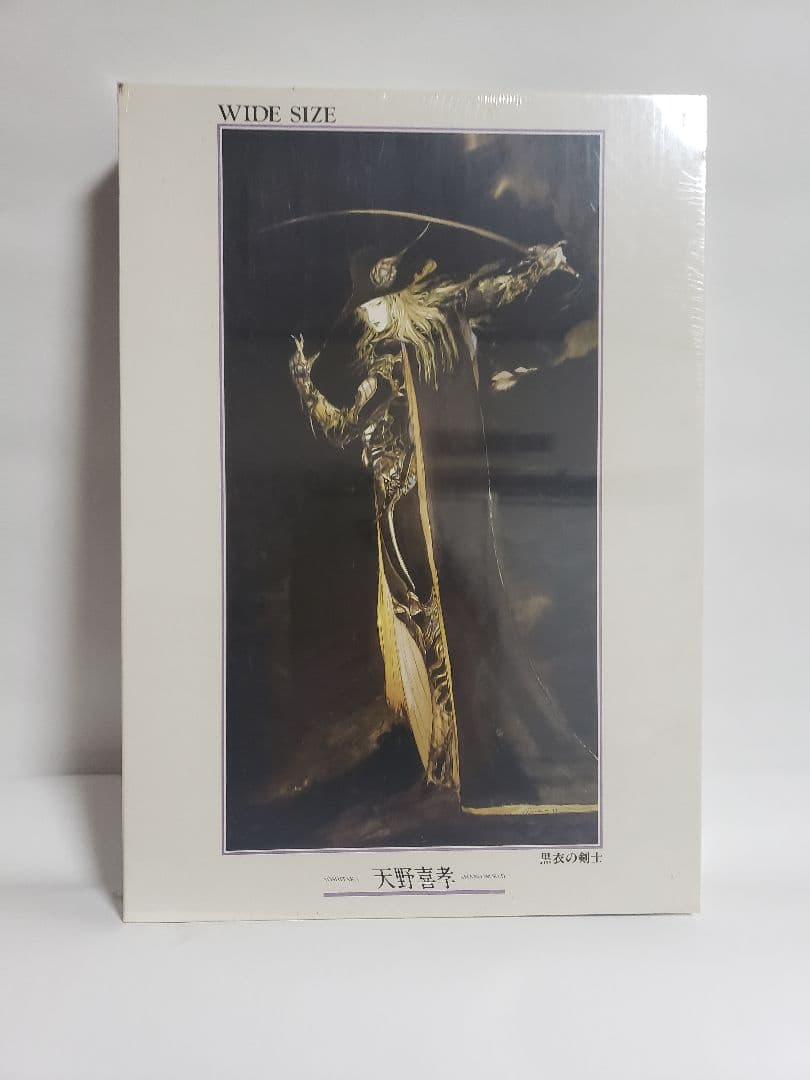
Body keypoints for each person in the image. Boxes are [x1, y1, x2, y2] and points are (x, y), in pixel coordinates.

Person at [289, 234, 597, 814]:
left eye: (373, 306)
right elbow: (486, 291)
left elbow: (341, 428)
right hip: (410, 503)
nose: (367, 317)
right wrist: (543, 262)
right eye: (364, 309)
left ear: (397, 302)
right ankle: (447, 758)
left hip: (410, 508)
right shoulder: (430, 349)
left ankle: (450, 760)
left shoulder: (392, 364)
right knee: (432, 619)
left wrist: (305, 383)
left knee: (428, 620)